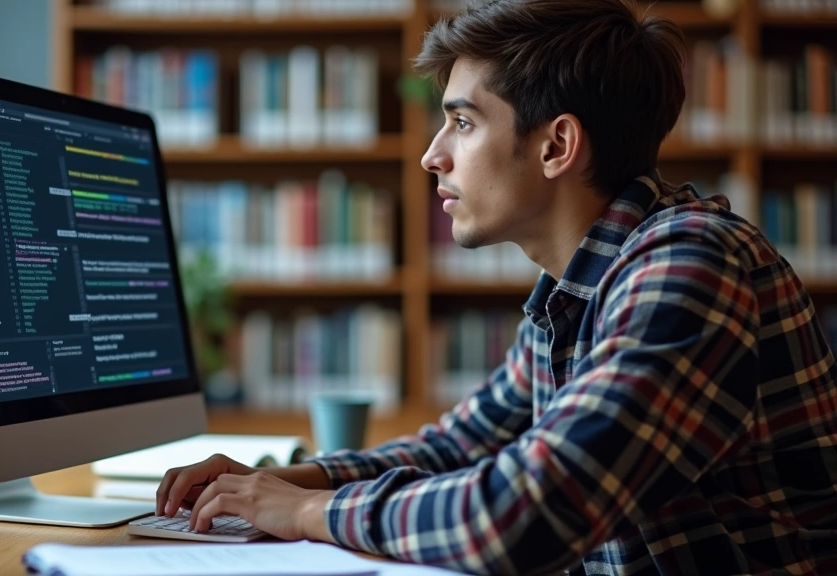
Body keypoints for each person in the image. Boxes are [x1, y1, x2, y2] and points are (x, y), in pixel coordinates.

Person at [156, 1, 837, 574]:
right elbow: (461, 447)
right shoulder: (579, 282)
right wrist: (283, 482)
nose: (432, 155)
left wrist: (306, 513)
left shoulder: (691, 265)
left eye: (462, 121)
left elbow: (526, 513)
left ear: (555, 147)